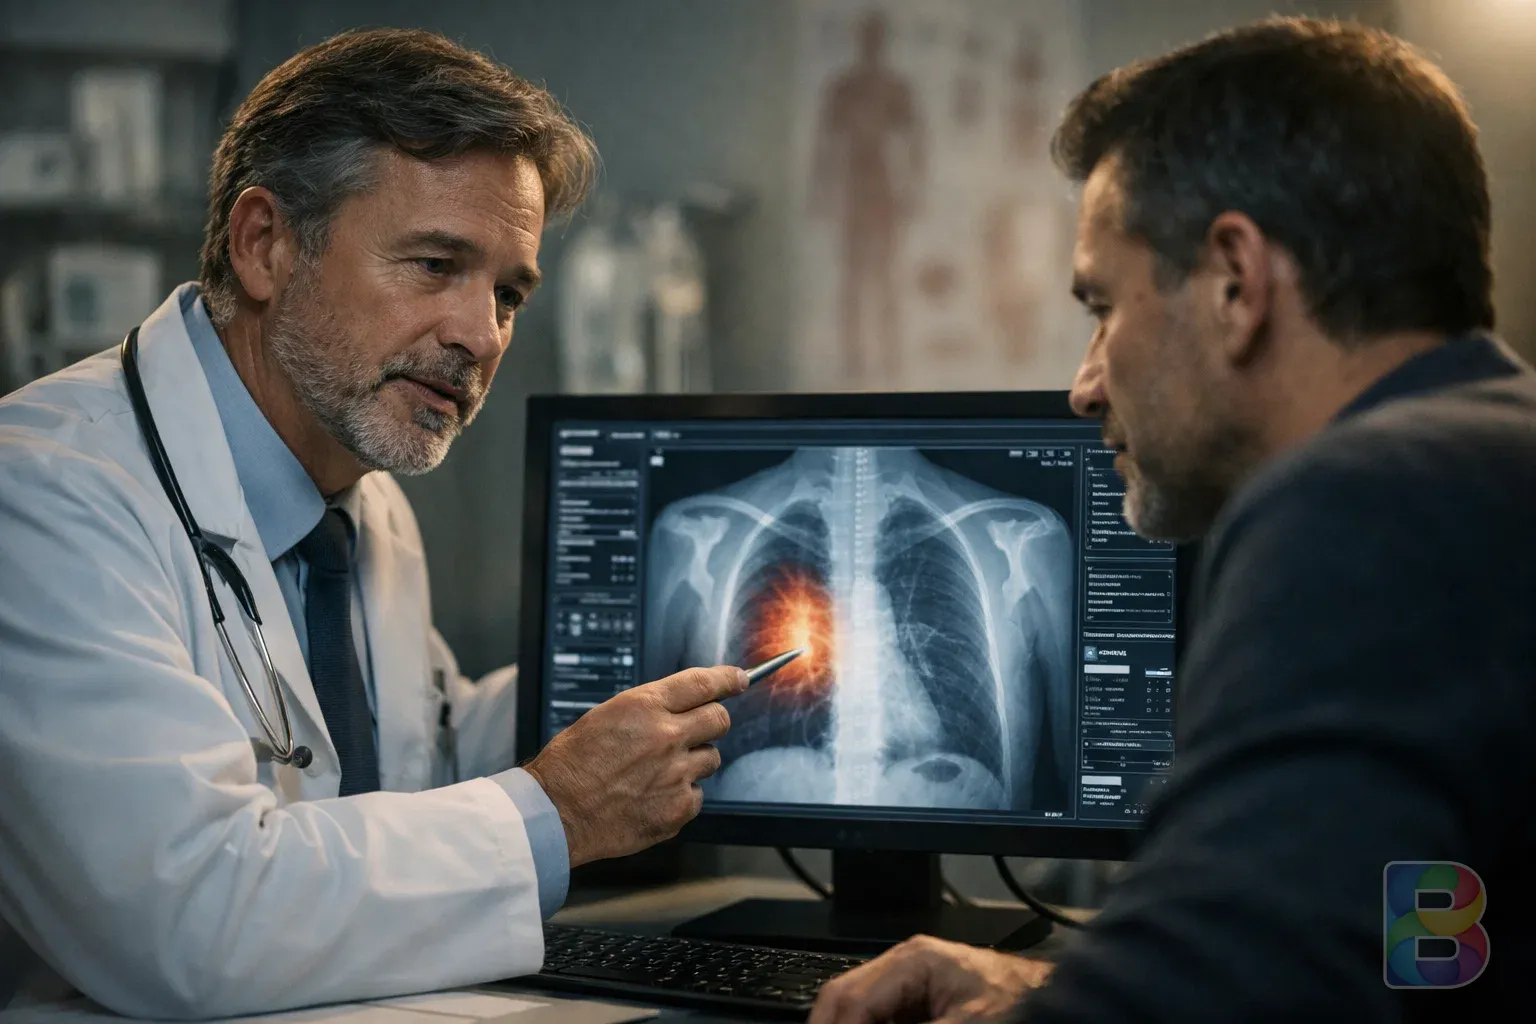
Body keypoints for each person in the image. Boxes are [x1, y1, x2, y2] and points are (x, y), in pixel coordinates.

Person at [0, 29, 745, 1017]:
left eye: (507, 292)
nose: (480, 335)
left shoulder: (361, 498)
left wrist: (621, 681)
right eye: (436, 264)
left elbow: (404, 765)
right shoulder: (47, 493)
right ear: (265, 244)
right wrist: (558, 812)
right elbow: (184, 911)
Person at [811, 17, 1533, 1024]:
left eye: (1102, 305)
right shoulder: (1489, 469)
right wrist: (1063, 979)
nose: (1084, 384)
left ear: (1237, 280)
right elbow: (1423, 948)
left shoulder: (1365, 500)